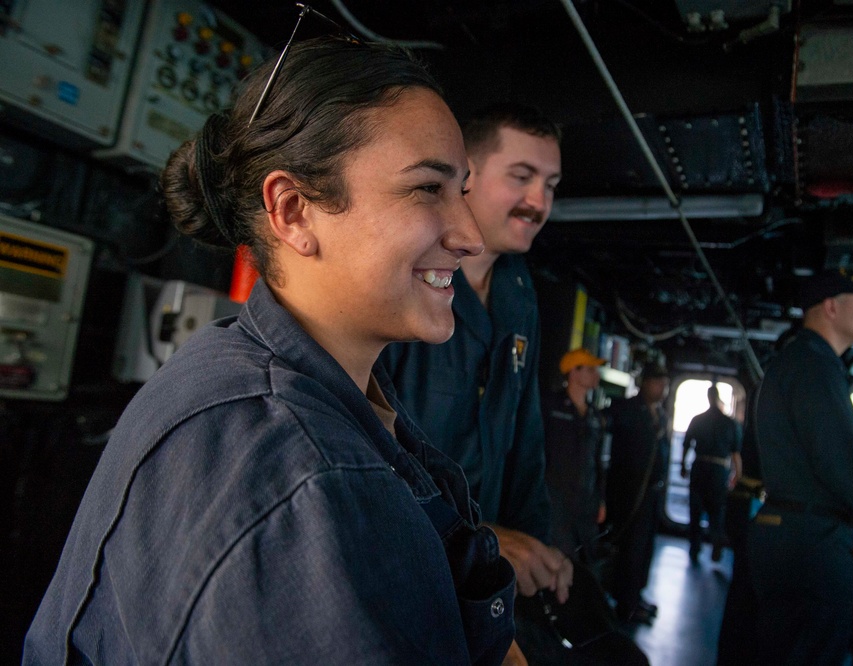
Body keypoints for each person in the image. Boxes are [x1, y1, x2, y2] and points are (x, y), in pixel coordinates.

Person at [23, 35, 517, 664]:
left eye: (463, 192)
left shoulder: (268, 378)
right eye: (426, 189)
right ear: (292, 212)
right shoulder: (301, 473)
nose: (470, 236)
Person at [380, 104, 571, 607]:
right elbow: (372, 448)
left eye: (550, 184)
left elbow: (525, 438)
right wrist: (477, 536)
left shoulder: (520, 295)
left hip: (481, 572)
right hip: (406, 559)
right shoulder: (409, 277)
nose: (539, 201)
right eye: (523, 177)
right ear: (467, 173)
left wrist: (534, 549)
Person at [748, 269, 853, 665]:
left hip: (793, 530)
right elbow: (841, 458)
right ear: (831, 308)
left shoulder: (802, 362)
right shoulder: (815, 368)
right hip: (811, 543)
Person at [605, 366, 671, 625]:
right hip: (632, 492)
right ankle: (626, 603)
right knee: (631, 549)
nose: (662, 391)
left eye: (665, 386)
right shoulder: (627, 409)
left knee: (645, 549)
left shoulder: (661, 416)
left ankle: (636, 594)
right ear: (645, 384)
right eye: (658, 384)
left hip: (652, 493)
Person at [542, 348, 608, 560]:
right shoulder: (550, 406)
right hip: (555, 498)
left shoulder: (595, 416)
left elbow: (598, 461)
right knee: (560, 559)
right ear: (573, 372)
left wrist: (601, 499)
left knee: (588, 558)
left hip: (586, 500)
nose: (596, 375)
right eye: (590, 369)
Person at [680, 384, 742, 564]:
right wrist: (737, 474)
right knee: (717, 512)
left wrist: (683, 466)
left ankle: (694, 548)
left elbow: (686, 445)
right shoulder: (730, 423)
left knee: (695, 510)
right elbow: (736, 454)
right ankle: (717, 543)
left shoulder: (697, 420)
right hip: (719, 471)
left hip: (699, 467)